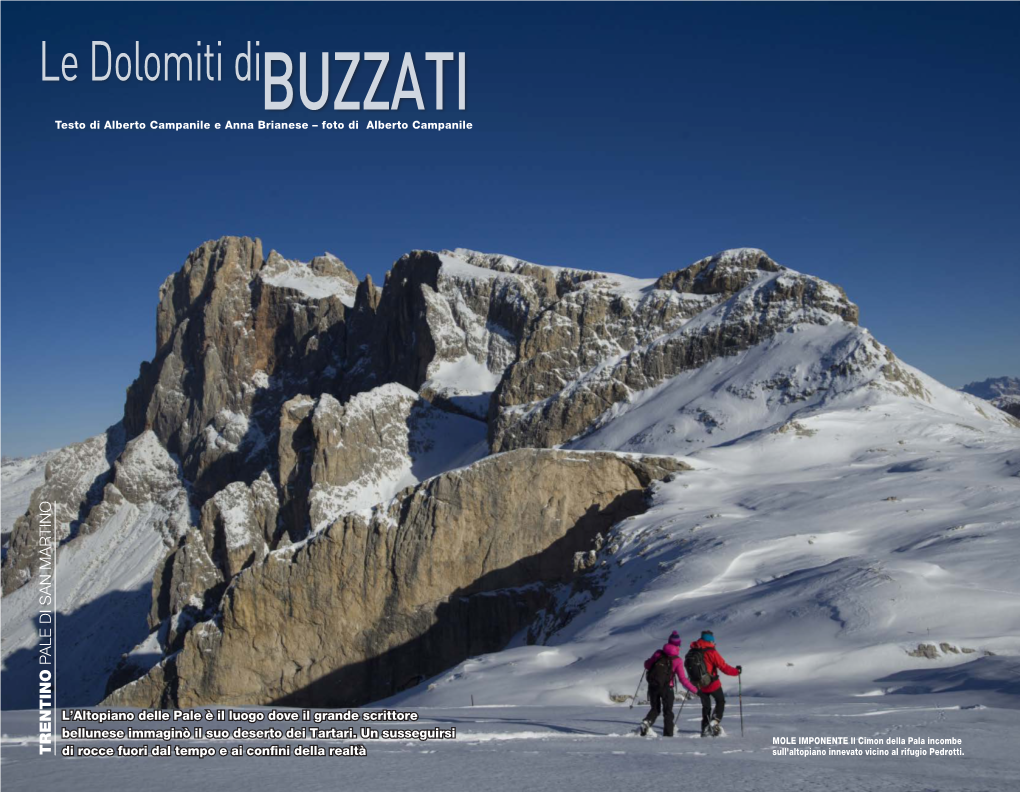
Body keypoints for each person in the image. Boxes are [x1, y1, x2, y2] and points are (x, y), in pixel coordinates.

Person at [639, 631, 699, 737]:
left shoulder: (658, 653)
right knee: (668, 712)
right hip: (667, 688)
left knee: (655, 709)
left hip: (653, 686)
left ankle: (647, 721)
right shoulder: (678, 660)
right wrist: (695, 690)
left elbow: (647, 666)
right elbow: (683, 679)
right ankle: (668, 736)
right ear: (678, 645)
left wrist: (648, 661)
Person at [686, 630, 741, 737]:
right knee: (720, 701)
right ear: (710, 641)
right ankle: (714, 721)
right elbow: (724, 667)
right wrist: (737, 672)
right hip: (711, 683)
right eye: (713, 641)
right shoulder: (711, 652)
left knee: (706, 707)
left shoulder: (693, 650)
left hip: (698, 684)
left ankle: (705, 729)